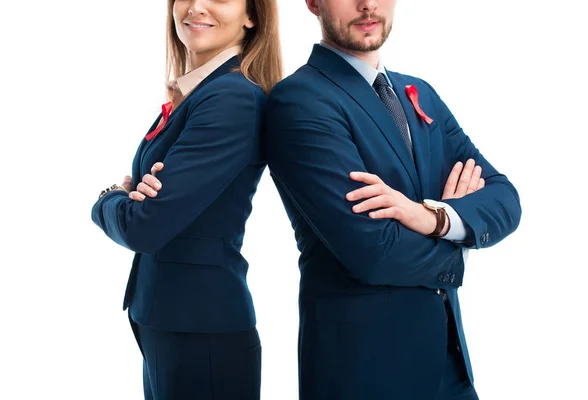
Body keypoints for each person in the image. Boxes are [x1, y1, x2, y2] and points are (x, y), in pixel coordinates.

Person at [265, 0, 521, 399]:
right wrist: (460, 242)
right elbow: (373, 251)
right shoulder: (300, 101)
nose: (367, 4)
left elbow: (505, 197)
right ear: (313, 3)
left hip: (450, 368)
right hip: (364, 372)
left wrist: (432, 218)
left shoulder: (419, 94)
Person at [91, 0, 282, 398]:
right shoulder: (199, 92)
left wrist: (111, 197)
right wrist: (132, 200)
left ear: (252, 15)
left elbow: (144, 227)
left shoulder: (232, 98)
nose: (197, 7)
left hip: (201, 331)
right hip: (172, 320)